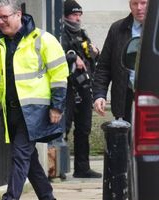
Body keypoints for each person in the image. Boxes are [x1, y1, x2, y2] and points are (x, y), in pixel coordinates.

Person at [0, 0, 69, 200]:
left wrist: (57, 106)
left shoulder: (43, 39)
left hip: (35, 111)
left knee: (20, 155)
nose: (0, 22)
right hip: (10, 111)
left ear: (18, 15)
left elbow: (59, 74)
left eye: (5, 17)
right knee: (31, 162)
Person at [60, 0, 102, 178]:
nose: (77, 18)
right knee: (64, 127)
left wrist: (95, 53)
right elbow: (58, 56)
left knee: (84, 128)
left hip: (84, 87)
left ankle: (82, 168)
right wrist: (72, 57)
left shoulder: (82, 34)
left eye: (79, 15)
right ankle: (59, 167)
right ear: (65, 15)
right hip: (67, 87)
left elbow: (91, 60)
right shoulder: (61, 34)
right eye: (74, 14)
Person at [93, 0, 148, 123]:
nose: (139, 7)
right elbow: (104, 67)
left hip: (152, 98)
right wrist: (100, 95)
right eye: (135, 3)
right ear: (130, 5)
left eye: (143, 3)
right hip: (125, 100)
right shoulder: (117, 29)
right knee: (125, 140)